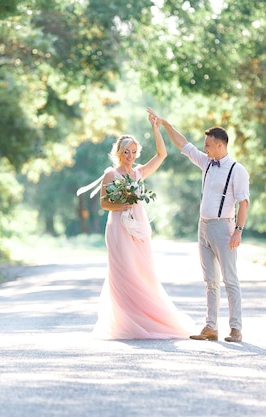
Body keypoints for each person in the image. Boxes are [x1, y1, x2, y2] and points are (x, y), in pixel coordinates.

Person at [78, 113, 194, 340]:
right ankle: (126, 321)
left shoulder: (139, 173)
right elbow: (103, 203)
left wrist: (156, 128)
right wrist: (123, 202)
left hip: (139, 228)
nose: (130, 156)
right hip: (118, 228)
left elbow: (162, 154)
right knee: (124, 270)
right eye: (126, 152)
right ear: (118, 153)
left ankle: (146, 317)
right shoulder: (110, 175)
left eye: (133, 152)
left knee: (142, 272)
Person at [147, 108, 250, 343]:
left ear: (220, 146)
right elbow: (184, 145)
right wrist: (164, 124)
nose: (204, 149)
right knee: (210, 281)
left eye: (208, 145)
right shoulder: (206, 163)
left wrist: (238, 231)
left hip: (224, 228)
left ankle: (235, 329)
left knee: (230, 279)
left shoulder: (237, 170)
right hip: (203, 227)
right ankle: (211, 327)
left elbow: (244, 204)